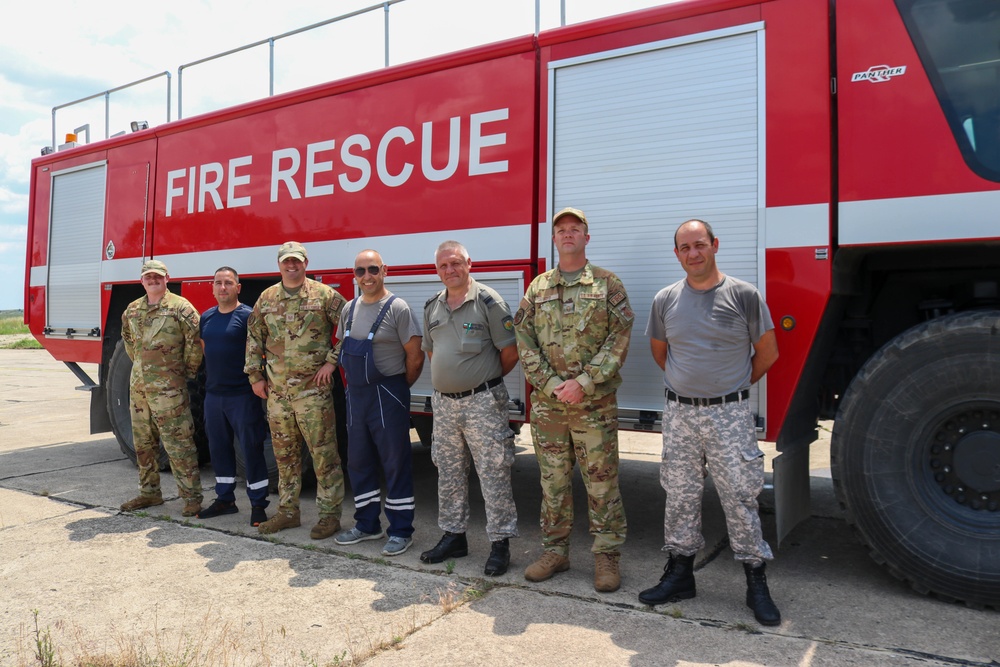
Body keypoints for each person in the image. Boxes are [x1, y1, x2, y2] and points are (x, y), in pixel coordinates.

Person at [638, 219, 782, 626]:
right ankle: (680, 575)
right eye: (685, 247)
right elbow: (661, 353)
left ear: (715, 245)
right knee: (680, 495)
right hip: (681, 413)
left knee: (739, 497)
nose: (693, 253)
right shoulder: (665, 299)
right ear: (677, 254)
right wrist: (693, 388)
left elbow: (767, 353)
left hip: (728, 414)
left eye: (699, 244)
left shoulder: (744, 296)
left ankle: (756, 583)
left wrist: (729, 389)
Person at [513, 207, 634, 593]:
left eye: (575, 229)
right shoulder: (538, 287)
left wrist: (583, 381)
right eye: (561, 230)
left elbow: (620, 338)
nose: (568, 235)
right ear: (554, 238)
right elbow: (524, 340)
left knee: (601, 483)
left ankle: (607, 557)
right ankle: (555, 552)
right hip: (550, 407)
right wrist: (550, 384)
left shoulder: (607, 284)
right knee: (553, 483)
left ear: (586, 237)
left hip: (593, 405)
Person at [419, 241, 519, 576]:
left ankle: (500, 544)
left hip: (482, 403)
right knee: (448, 473)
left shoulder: (489, 302)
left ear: (469, 264)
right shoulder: (432, 306)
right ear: (437, 270)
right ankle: (454, 536)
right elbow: (432, 353)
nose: (450, 270)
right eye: (444, 265)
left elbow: (509, 353)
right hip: (445, 405)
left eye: (456, 263)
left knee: (493, 473)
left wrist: (481, 382)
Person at [245, 241, 347, 539]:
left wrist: (332, 362)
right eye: (286, 261)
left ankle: (329, 516)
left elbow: (349, 330)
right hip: (277, 394)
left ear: (305, 263)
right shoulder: (267, 298)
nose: (292, 266)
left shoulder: (324, 295)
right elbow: (253, 337)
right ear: (279, 264)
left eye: (297, 261)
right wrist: (255, 376)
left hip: (312, 393)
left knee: (323, 454)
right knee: (285, 456)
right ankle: (288, 512)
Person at [333, 250, 424, 556]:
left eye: (373, 269)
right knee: (358, 461)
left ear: (385, 270)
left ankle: (400, 530)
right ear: (354, 275)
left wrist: (399, 387)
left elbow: (415, 355)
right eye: (360, 271)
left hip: (387, 393)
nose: (367, 276)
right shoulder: (349, 308)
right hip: (356, 396)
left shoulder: (397, 308)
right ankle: (366, 524)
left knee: (395, 462)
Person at [119, 259, 204, 517]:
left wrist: (182, 374)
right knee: (144, 444)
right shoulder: (132, 310)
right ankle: (149, 493)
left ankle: (191, 497)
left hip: (170, 390)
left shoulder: (181, 308)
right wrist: (144, 370)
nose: (153, 280)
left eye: (158, 276)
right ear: (142, 280)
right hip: (140, 390)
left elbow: (195, 343)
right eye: (148, 277)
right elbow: (128, 341)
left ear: (167, 278)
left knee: (178, 443)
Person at [196, 267, 271, 527]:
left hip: (242, 395)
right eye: (218, 283)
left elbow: (259, 351)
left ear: (238, 287)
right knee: (218, 449)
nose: (223, 287)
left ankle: (259, 504)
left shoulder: (248, 315)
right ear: (213, 287)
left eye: (228, 283)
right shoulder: (206, 317)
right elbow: (206, 350)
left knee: (251, 449)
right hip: (214, 396)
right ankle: (225, 499)